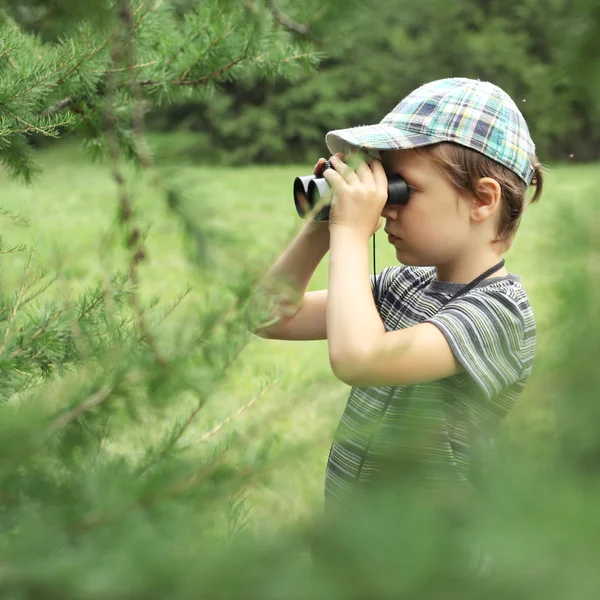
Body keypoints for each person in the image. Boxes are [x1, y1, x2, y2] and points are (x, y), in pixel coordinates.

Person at [249, 77, 544, 519]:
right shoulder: (402, 286)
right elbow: (269, 316)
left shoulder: (500, 315)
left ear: (482, 199)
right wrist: (321, 221)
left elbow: (361, 360)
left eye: (404, 189)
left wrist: (349, 231)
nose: (386, 206)